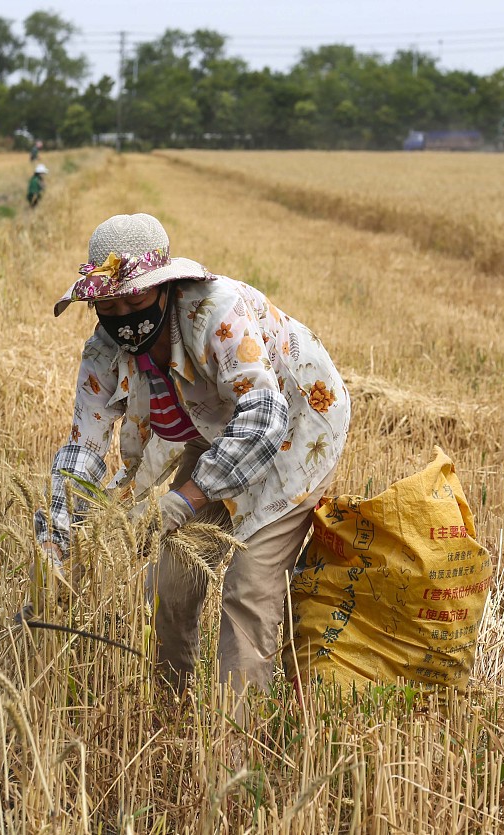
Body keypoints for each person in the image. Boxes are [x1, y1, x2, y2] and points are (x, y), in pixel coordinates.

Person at [35, 212, 350, 694]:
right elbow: (83, 448)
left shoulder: (215, 312)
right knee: (169, 581)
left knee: (249, 586)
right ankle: (172, 706)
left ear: (165, 288)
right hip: (215, 430)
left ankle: (236, 733)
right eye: (109, 306)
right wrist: (55, 546)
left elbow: (264, 415)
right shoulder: (103, 351)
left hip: (296, 427)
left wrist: (186, 499)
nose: (123, 317)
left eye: (135, 300)